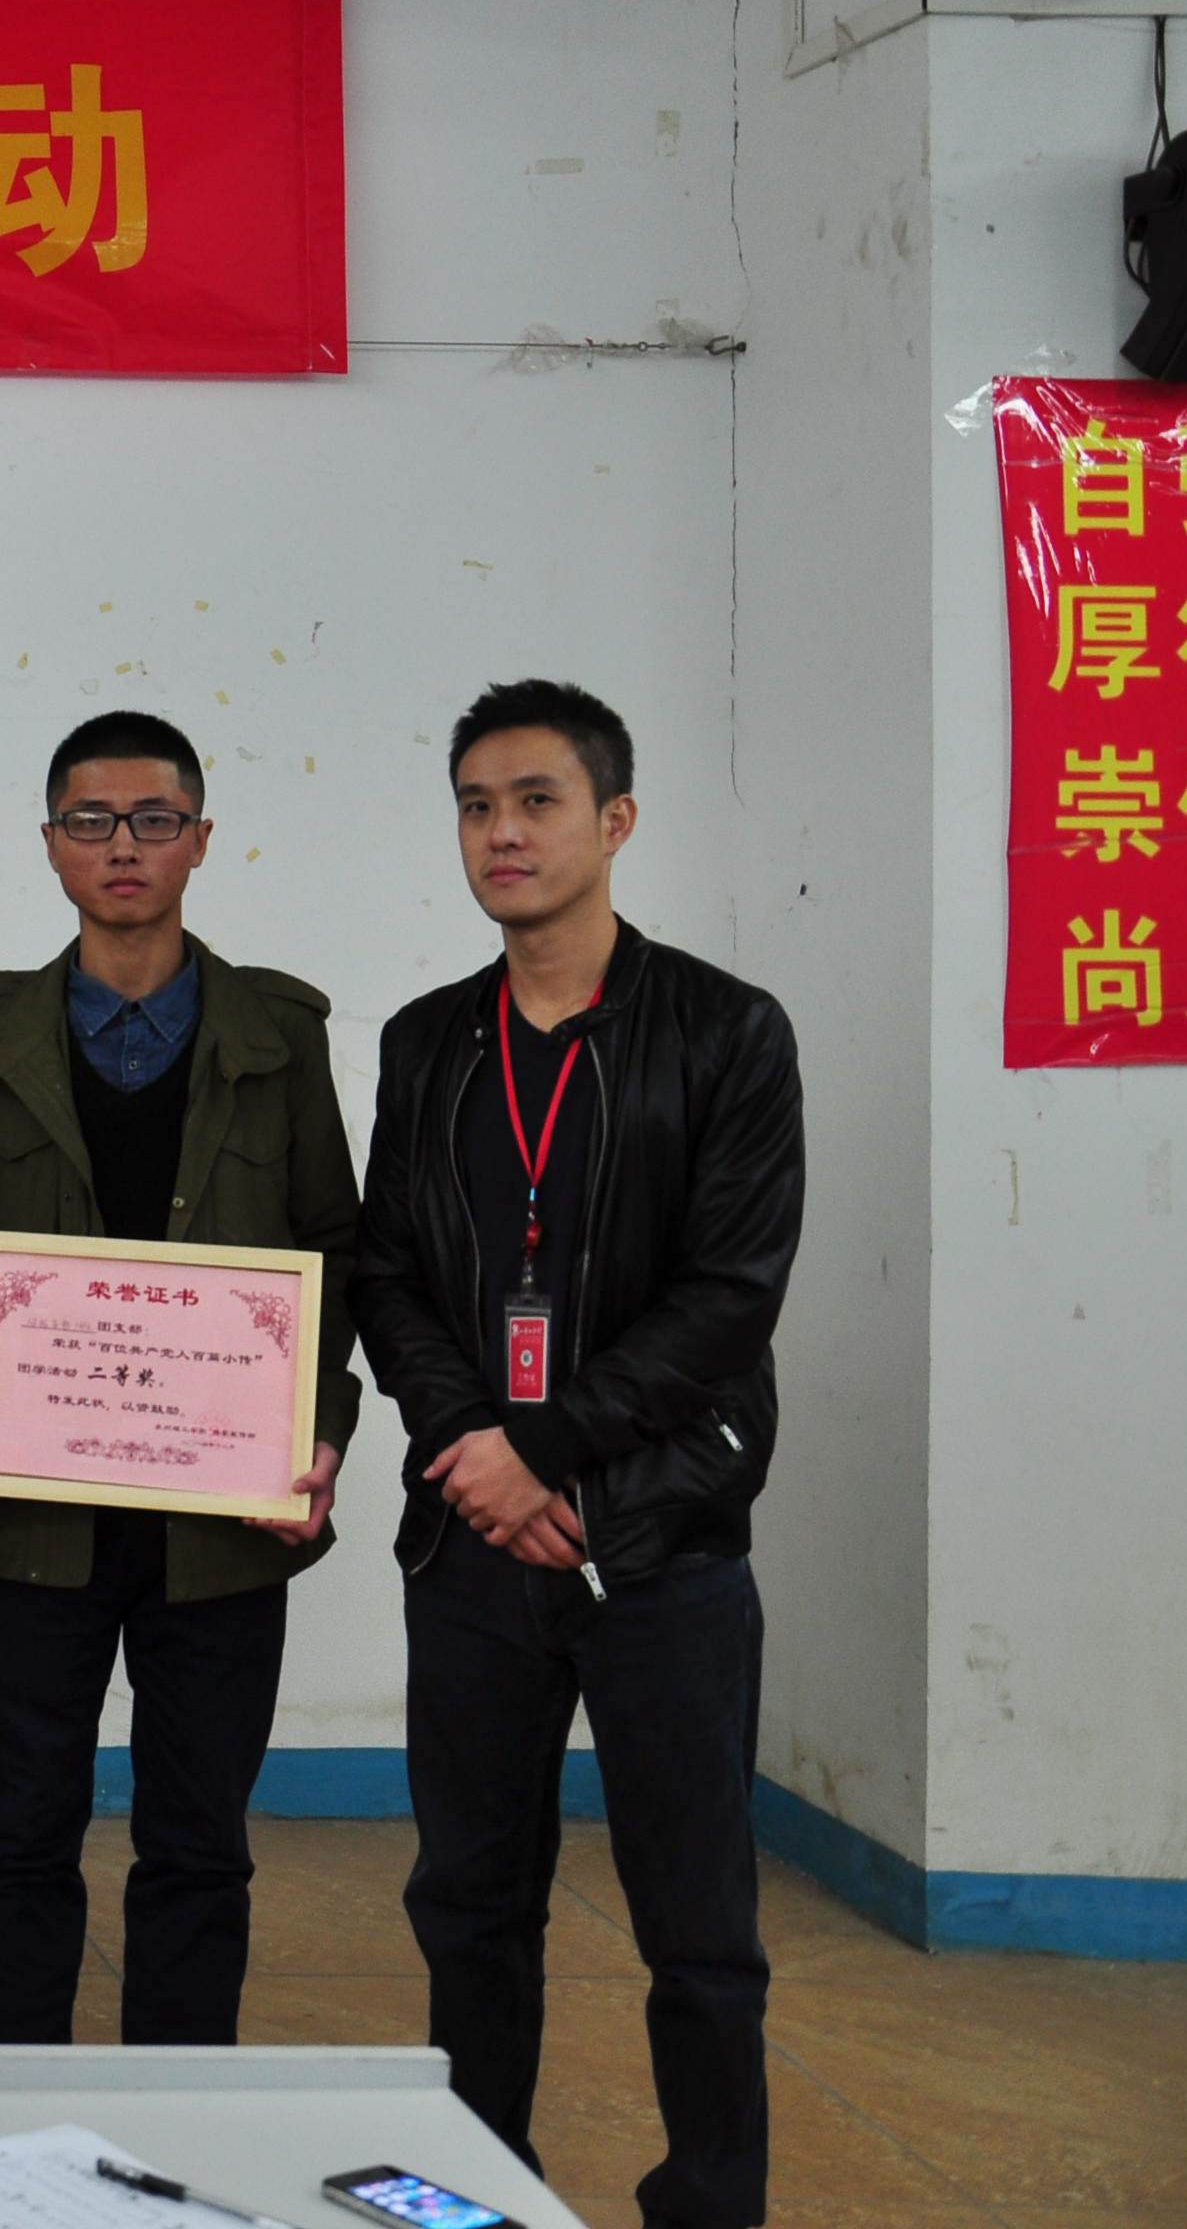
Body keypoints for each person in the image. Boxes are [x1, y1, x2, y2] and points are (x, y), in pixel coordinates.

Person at [348, 682, 798, 2229]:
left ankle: (710, 2204)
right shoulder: (428, 1042)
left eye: (536, 800)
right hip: (474, 1546)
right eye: (476, 804)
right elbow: (390, 1273)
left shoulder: (727, 1032)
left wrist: (540, 1453)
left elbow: (728, 1301)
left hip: (664, 1543)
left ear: (615, 820)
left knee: (700, 1929)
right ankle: (481, 2190)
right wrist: (469, 1446)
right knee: (468, 1907)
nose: (502, 832)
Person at [0, 711, 362, 2048]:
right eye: (91, 821)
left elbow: (331, 1244)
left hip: (221, 1516)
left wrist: (320, 1428)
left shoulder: (278, 1029)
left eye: (154, 820)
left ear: (199, 841)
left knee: (199, 1839)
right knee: (19, 1828)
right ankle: (15, 2100)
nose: (123, 846)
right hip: (33, 1512)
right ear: (50, 843)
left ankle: (182, 2104)